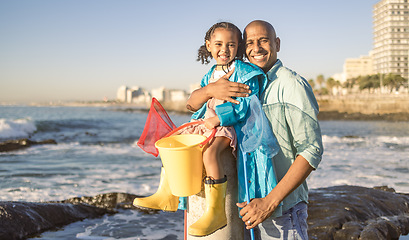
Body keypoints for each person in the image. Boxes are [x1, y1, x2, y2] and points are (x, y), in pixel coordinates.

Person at [134, 21, 275, 237]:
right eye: (218, 44)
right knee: (172, 142)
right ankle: (167, 194)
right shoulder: (210, 73)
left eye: (231, 45)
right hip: (207, 124)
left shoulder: (246, 72)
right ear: (208, 45)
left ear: (238, 47)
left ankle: (216, 211)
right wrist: (207, 100)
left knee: (210, 153)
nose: (224, 50)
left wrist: (219, 118)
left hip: (229, 127)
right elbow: (194, 102)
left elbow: (248, 106)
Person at [191, 20, 324, 239]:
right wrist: (210, 90)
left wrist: (269, 202)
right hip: (248, 204)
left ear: (277, 43)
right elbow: (192, 104)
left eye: (263, 40)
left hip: (281, 210)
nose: (257, 48)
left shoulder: (291, 84)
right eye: (250, 43)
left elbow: (311, 151)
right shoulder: (245, 82)